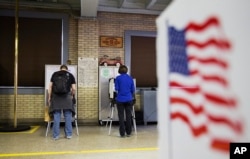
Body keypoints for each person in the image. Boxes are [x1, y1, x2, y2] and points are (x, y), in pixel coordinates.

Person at [48, 65, 76, 140]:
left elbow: (50, 87)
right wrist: (73, 96)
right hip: (67, 97)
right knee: (68, 116)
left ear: (60, 69)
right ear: (67, 69)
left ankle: (56, 136)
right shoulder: (70, 75)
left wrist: (49, 97)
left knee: (56, 116)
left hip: (56, 98)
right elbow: (73, 88)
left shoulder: (54, 74)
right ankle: (69, 134)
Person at [115, 65, 135, 137]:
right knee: (128, 116)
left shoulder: (117, 78)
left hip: (120, 99)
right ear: (126, 70)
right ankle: (129, 132)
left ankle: (122, 133)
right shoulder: (130, 78)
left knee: (121, 116)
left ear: (119, 71)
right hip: (129, 99)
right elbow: (133, 90)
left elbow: (116, 88)